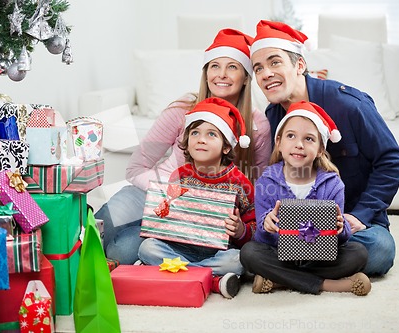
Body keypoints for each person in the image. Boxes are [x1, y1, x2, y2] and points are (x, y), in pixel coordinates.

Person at [95, 28, 271, 264]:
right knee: (99, 227)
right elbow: (136, 168)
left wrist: (233, 218)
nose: (222, 75)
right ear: (206, 73)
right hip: (155, 192)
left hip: (201, 215)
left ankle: (167, 254)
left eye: (232, 67)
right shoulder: (182, 109)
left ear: (246, 76)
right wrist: (175, 193)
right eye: (214, 66)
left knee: (122, 252)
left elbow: (260, 181)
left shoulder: (257, 123)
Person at [248, 20, 399, 276]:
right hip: (298, 227)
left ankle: (285, 273)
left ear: (299, 65)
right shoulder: (274, 116)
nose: (265, 73)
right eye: (258, 68)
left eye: (275, 62)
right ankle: (319, 273)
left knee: (379, 250)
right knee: (252, 248)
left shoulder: (349, 104)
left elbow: (392, 160)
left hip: (351, 222)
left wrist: (360, 215)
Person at [240, 100, 371, 296]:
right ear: (279, 143)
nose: (299, 145)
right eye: (291, 136)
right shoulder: (266, 182)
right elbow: (261, 238)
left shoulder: (333, 184)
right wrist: (266, 224)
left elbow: (341, 239)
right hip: (280, 254)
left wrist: (341, 227)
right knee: (249, 253)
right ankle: (328, 285)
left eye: (309, 139)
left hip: (320, 258)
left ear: (320, 149)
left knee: (358, 253)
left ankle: (280, 280)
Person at [138, 97, 256, 299]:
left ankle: (176, 272)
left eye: (211, 134)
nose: (201, 139)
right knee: (147, 248)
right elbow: (165, 213)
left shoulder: (239, 182)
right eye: (195, 133)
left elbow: (253, 225)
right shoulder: (180, 175)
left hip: (218, 252)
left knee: (238, 260)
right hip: (179, 247)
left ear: (226, 147)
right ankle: (212, 280)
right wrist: (161, 211)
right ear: (187, 141)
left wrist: (240, 230)